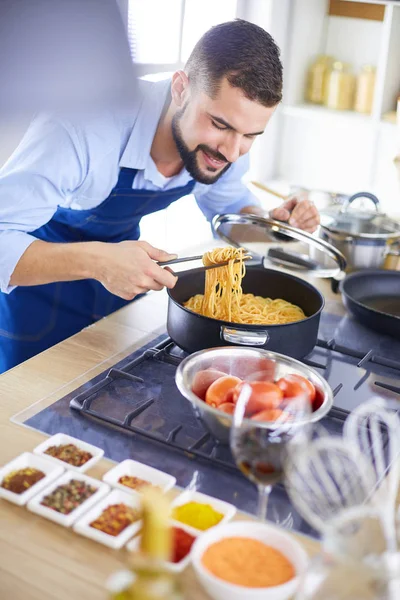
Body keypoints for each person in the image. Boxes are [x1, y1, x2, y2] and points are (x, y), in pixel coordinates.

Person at [0, 19, 320, 374]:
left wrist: (271, 225)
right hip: (35, 299)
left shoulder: (223, 146)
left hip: (115, 300)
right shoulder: (81, 126)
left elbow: (229, 208)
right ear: (181, 88)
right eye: (219, 124)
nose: (232, 151)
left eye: (251, 135)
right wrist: (98, 262)